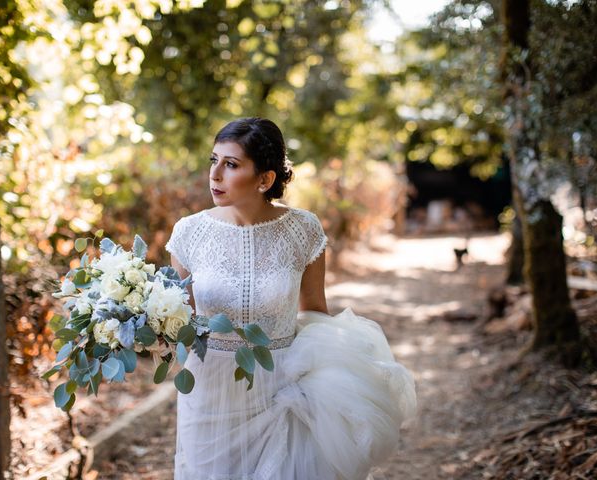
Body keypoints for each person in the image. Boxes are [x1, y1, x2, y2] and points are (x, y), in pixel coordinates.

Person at [165, 117, 417, 480]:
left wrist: (322, 386)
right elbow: (178, 321)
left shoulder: (304, 230)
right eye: (213, 160)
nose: (215, 174)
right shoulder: (189, 233)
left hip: (281, 388)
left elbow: (315, 313)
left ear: (265, 179)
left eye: (231, 164)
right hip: (209, 394)